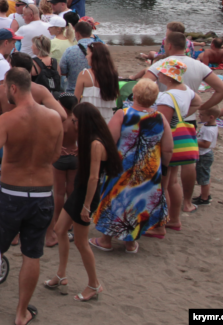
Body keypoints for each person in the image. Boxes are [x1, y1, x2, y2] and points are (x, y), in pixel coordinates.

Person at [0, 68, 62, 325]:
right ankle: (21, 312)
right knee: (32, 254)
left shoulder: (8, 119)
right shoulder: (55, 118)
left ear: (13, 88)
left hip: (12, 194)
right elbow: (55, 156)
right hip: (43, 195)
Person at [44, 102, 121, 302]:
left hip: (85, 194)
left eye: (75, 121)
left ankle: (94, 284)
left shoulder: (96, 144)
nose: (73, 123)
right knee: (60, 230)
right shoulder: (91, 140)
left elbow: (94, 178)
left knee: (80, 242)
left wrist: (87, 206)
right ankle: (61, 274)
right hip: (80, 191)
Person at [91, 79, 171, 249]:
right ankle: (131, 242)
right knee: (138, 202)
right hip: (149, 168)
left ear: (134, 95)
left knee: (116, 198)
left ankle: (106, 240)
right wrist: (163, 167)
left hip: (123, 166)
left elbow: (110, 142)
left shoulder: (123, 114)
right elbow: (168, 148)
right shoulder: (160, 118)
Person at [149, 58, 201, 235]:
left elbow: (161, 125)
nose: (159, 75)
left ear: (168, 77)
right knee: (173, 181)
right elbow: (198, 102)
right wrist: (183, 116)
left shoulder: (167, 96)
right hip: (181, 141)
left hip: (168, 143)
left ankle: (161, 224)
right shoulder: (186, 90)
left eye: (161, 73)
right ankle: (174, 219)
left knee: (162, 185)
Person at [0, 53, 68, 150]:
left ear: (14, 68)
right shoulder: (40, 90)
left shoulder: (1, 90)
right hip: (32, 140)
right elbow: (62, 115)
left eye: (9, 65)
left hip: (7, 140)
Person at [135, 32, 223, 114]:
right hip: (189, 117)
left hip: (165, 114)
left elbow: (141, 87)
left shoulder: (162, 64)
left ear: (169, 46)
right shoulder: (200, 65)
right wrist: (202, 107)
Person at [46, 94, 78, 248]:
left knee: (58, 192)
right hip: (74, 156)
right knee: (71, 190)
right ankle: (70, 221)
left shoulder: (60, 120)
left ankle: (58, 220)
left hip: (60, 158)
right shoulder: (77, 121)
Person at [73, 42, 119, 122]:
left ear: (94, 56)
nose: (86, 57)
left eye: (88, 54)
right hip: (107, 120)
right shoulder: (113, 74)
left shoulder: (85, 74)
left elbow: (75, 100)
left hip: (88, 119)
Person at [59, 21, 97, 93]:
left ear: (77, 34)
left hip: (73, 91)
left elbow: (62, 71)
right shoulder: (100, 49)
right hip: (94, 91)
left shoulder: (70, 51)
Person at [193, 105, 219, 205]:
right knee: (205, 175)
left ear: (211, 117)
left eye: (202, 115)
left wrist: (193, 140)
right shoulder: (209, 125)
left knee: (203, 177)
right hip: (205, 154)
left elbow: (206, 144)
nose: (200, 116)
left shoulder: (209, 130)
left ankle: (204, 198)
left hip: (204, 155)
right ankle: (205, 195)